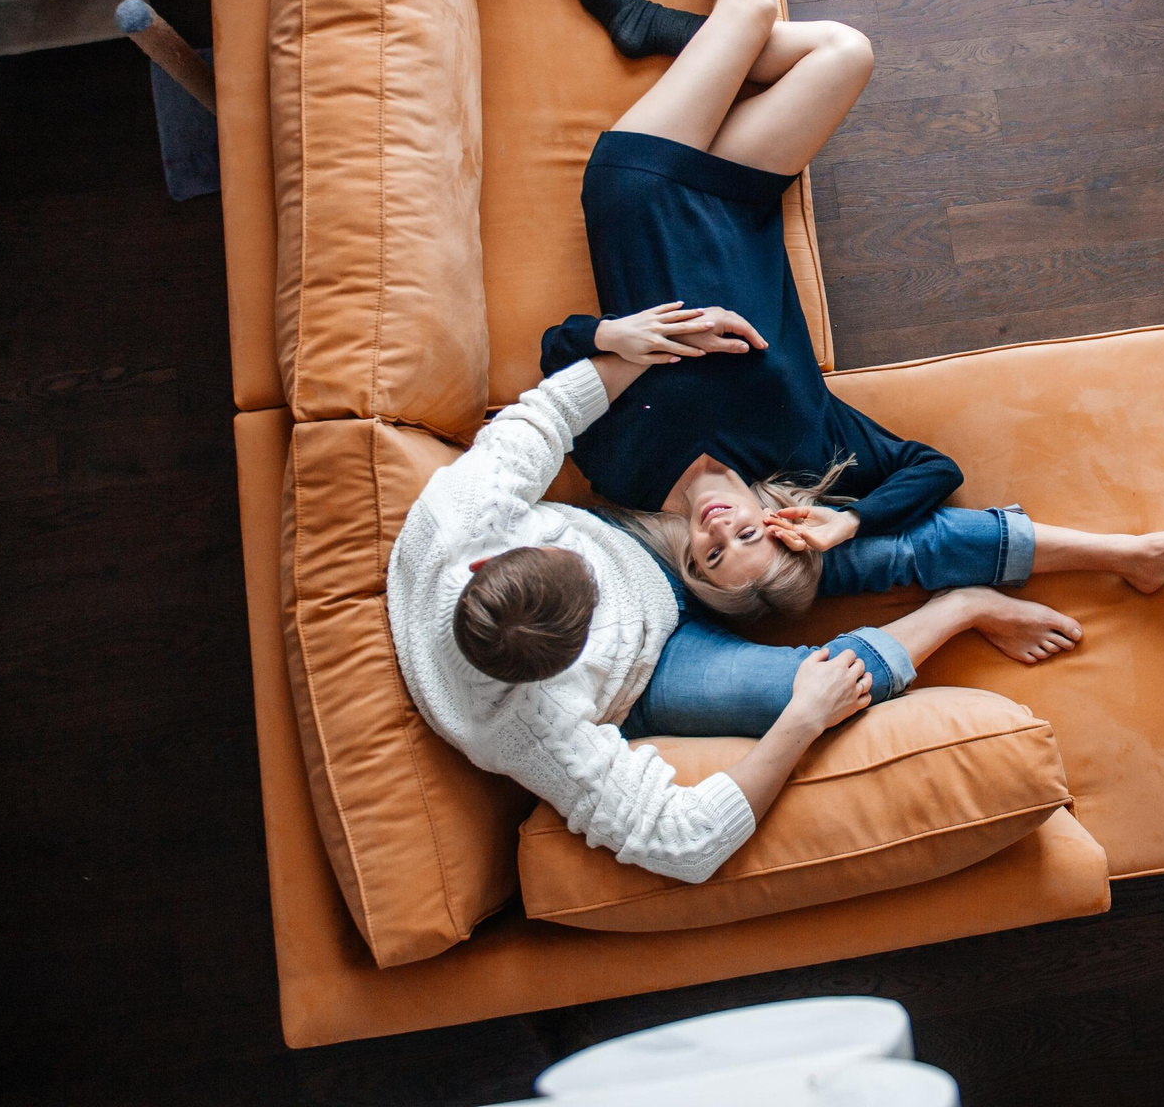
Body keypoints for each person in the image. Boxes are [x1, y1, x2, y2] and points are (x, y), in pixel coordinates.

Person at [541, 0, 1164, 637]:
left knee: (751, 4)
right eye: (751, 538)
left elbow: (554, 355)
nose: (721, 533)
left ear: (683, 559)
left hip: (638, 192)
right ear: (782, 522)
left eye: (709, 557)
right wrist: (855, 519)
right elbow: (930, 469)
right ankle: (675, 38)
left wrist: (616, 338)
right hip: (741, 200)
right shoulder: (806, 448)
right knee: (847, 53)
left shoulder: (623, 467)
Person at [386, 301, 1079, 884]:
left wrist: (647, 344)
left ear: (485, 564)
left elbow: (547, 414)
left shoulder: (464, 519)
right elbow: (683, 845)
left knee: (835, 547)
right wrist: (802, 720)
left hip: (655, 541)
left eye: (569, 556)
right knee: (814, 686)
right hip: (653, 671)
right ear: (570, 663)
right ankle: (965, 606)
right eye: (593, 595)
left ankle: (1100, 552)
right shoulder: (533, 726)